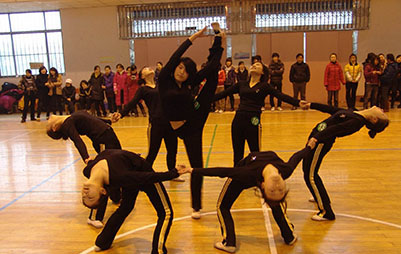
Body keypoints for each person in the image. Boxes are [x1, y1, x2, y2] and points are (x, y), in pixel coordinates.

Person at [186, 146, 312, 252]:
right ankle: (288, 235)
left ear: (263, 186)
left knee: (222, 206)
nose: (277, 186)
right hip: (245, 177)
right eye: (280, 190)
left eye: (272, 190)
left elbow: (222, 171)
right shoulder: (286, 170)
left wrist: (192, 170)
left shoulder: (247, 173)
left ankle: (229, 242)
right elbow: (297, 157)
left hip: (243, 176)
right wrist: (310, 146)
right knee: (274, 202)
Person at [158, 23, 224, 219]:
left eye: (185, 70)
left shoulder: (189, 84)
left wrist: (216, 37)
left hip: (193, 124)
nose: (181, 72)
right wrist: (193, 38)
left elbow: (208, 68)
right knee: (210, 73)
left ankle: (196, 206)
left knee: (211, 72)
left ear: (189, 74)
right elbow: (175, 55)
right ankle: (220, 38)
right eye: (179, 68)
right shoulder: (164, 80)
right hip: (175, 127)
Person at [81, 149, 187, 254]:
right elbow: (147, 177)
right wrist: (174, 173)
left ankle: (102, 242)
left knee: (126, 207)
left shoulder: (87, 170)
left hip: (131, 171)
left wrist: (91, 161)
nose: (85, 194)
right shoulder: (120, 176)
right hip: (143, 174)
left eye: (84, 197)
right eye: (90, 197)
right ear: (102, 191)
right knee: (166, 213)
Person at [301, 101, 389, 221]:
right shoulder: (355, 113)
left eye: (382, 114)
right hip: (317, 139)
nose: (381, 110)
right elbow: (333, 110)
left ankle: (327, 212)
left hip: (320, 143)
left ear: (374, 119)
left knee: (310, 175)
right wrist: (311, 105)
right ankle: (319, 196)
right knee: (307, 170)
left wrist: (316, 138)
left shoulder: (356, 122)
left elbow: (335, 129)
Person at [214, 61, 303, 165]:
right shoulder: (242, 84)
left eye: (257, 65)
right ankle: (237, 177)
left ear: (262, 73)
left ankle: (255, 177)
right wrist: (203, 100)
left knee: (255, 152)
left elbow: (280, 96)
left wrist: (298, 102)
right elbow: (223, 94)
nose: (254, 66)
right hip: (238, 120)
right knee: (237, 153)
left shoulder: (265, 86)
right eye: (253, 65)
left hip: (253, 120)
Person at [46, 110, 122, 228]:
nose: (49, 118)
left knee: (115, 168)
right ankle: (95, 217)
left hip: (107, 136)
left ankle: (116, 197)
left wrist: (109, 121)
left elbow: (91, 119)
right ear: (54, 128)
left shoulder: (70, 117)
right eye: (48, 122)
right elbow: (78, 141)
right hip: (103, 140)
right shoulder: (67, 124)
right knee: (103, 177)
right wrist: (86, 158)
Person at [112, 66, 182, 181]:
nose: (149, 69)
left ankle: (172, 173)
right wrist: (121, 114)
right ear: (142, 76)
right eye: (146, 69)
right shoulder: (143, 90)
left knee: (172, 150)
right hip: (155, 125)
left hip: (169, 124)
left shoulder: (162, 85)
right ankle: (143, 174)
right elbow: (133, 103)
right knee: (152, 152)